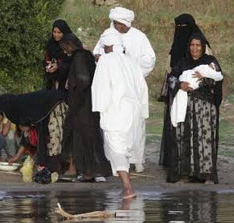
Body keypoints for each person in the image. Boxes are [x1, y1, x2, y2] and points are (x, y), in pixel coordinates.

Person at [92, 6, 155, 173]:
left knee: (136, 127)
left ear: (127, 23)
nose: (117, 27)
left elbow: (149, 61)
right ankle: (118, 164)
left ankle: (136, 160)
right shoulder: (108, 35)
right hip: (114, 90)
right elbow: (98, 54)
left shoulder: (140, 37)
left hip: (133, 87)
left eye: (119, 24)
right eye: (114, 23)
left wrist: (127, 66)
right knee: (115, 129)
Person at [92, 29, 149, 199]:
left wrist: (99, 108)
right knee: (124, 149)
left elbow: (100, 87)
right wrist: (142, 112)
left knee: (116, 148)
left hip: (115, 111)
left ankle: (127, 187)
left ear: (107, 45)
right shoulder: (131, 61)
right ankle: (127, 186)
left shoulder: (105, 61)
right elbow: (142, 88)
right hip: (133, 112)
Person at [166, 33, 223, 184]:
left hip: (205, 108)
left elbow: (218, 79)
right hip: (185, 108)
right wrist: (180, 85)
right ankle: (187, 173)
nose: (195, 48)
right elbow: (171, 78)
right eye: (192, 45)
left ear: (203, 47)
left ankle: (207, 174)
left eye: (198, 45)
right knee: (186, 138)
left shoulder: (210, 62)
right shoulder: (183, 62)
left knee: (205, 139)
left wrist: (203, 80)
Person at [160, 14, 209, 167]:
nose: (180, 31)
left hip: (198, 98)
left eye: (184, 28)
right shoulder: (174, 49)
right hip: (177, 95)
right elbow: (169, 73)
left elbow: (210, 71)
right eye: (178, 28)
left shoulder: (203, 48)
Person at [60, 33, 110, 182]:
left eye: (64, 48)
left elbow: (83, 79)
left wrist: (77, 96)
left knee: (84, 138)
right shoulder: (87, 56)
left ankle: (89, 171)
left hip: (83, 105)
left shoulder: (79, 57)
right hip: (89, 103)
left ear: (70, 45)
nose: (64, 51)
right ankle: (89, 171)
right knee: (88, 137)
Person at [0, 89, 68, 182]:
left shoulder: (25, 108)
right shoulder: (23, 109)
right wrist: (16, 157)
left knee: (54, 138)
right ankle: (51, 169)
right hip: (54, 104)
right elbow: (26, 141)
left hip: (56, 104)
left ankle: (54, 170)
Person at [43, 19, 73, 91]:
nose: (56, 35)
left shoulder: (70, 44)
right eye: (54, 32)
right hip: (53, 78)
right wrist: (48, 65)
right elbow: (47, 58)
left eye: (59, 32)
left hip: (66, 79)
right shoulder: (50, 43)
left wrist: (59, 66)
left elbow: (73, 62)